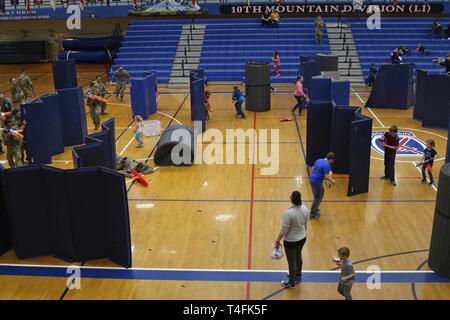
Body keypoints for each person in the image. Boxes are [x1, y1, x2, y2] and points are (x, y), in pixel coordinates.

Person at [275, 191, 309, 289]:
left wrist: (277, 240)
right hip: (302, 238)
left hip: (291, 241)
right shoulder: (305, 208)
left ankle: (291, 282)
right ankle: (298, 274)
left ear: (291, 199)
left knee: (291, 261)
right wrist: (303, 234)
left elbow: (284, 230)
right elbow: (305, 224)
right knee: (298, 256)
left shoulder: (288, 213)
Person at [309, 152, 336, 219]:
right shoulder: (327, 165)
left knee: (322, 192)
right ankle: (313, 213)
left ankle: (316, 207)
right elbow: (326, 177)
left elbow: (312, 168)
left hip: (312, 178)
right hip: (316, 182)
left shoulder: (319, 160)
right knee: (317, 197)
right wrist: (332, 181)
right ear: (331, 160)